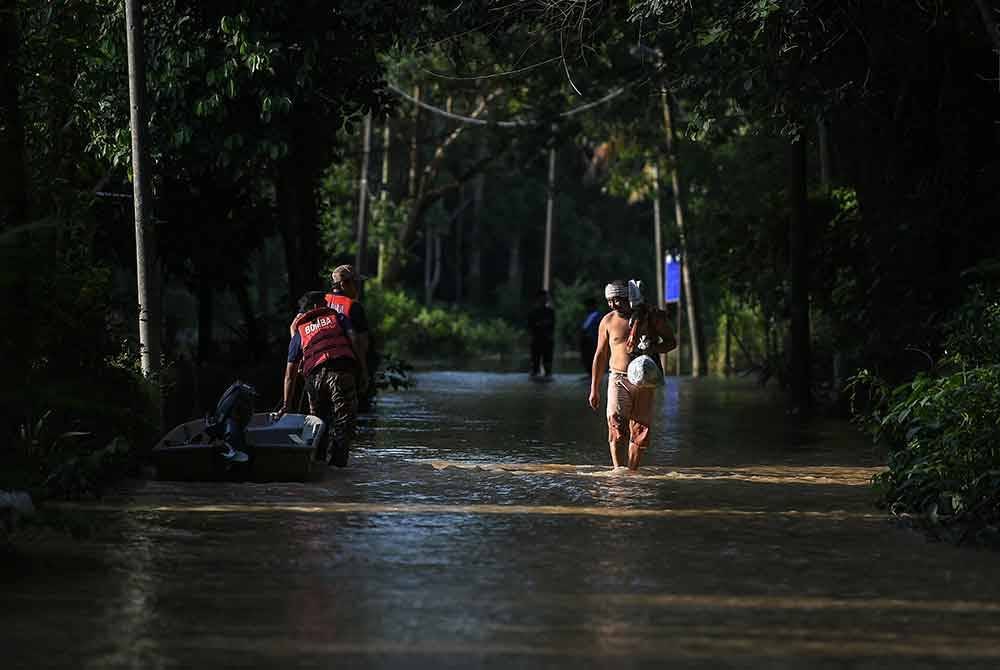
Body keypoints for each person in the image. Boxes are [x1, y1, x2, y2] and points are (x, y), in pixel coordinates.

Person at [588, 279, 676, 470]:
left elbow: (671, 342)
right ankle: (618, 470)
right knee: (616, 423)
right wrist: (594, 389)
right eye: (610, 301)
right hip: (618, 379)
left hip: (645, 381)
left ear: (629, 298)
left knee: (640, 429)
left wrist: (652, 346)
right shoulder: (608, 321)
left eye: (618, 300)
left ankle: (632, 471)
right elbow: (600, 356)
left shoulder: (651, 318)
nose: (613, 304)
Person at [278, 291, 368, 467]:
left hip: (314, 380)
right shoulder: (339, 319)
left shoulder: (300, 332)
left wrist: (287, 405)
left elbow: (290, 374)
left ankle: (317, 465)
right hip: (340, 373)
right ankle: (338, 469)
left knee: (318, 424)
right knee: (343, 422)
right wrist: (363, 370)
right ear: (317, 306)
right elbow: (355, 340)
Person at [527, 289, 556, 377]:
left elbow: (553, 325)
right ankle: (535, 378)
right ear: (538, 299)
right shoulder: (533, 312)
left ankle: (547, 376)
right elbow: (530, 326)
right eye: (543, 298)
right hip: (536, 340)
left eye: (546, 298)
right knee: (535, 365)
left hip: (547, 340)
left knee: (548, 365)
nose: (544, 300)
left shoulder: (550, 312)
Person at [578, 296, 602, 376]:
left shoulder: (594, 315)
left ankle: (592, 376)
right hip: (592, 341)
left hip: (591, 341)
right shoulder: (593, 315)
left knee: (589, 359)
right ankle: (591, 375)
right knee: (589, 360)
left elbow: (585, 328)